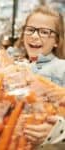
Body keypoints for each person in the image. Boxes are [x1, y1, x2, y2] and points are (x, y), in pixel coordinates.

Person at [13, 6, 65, 150]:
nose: (35, 36)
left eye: (44, 32)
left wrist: (59, 131)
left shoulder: (61, 68)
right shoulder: (15, 68)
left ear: (56, 41)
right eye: (30, 30)